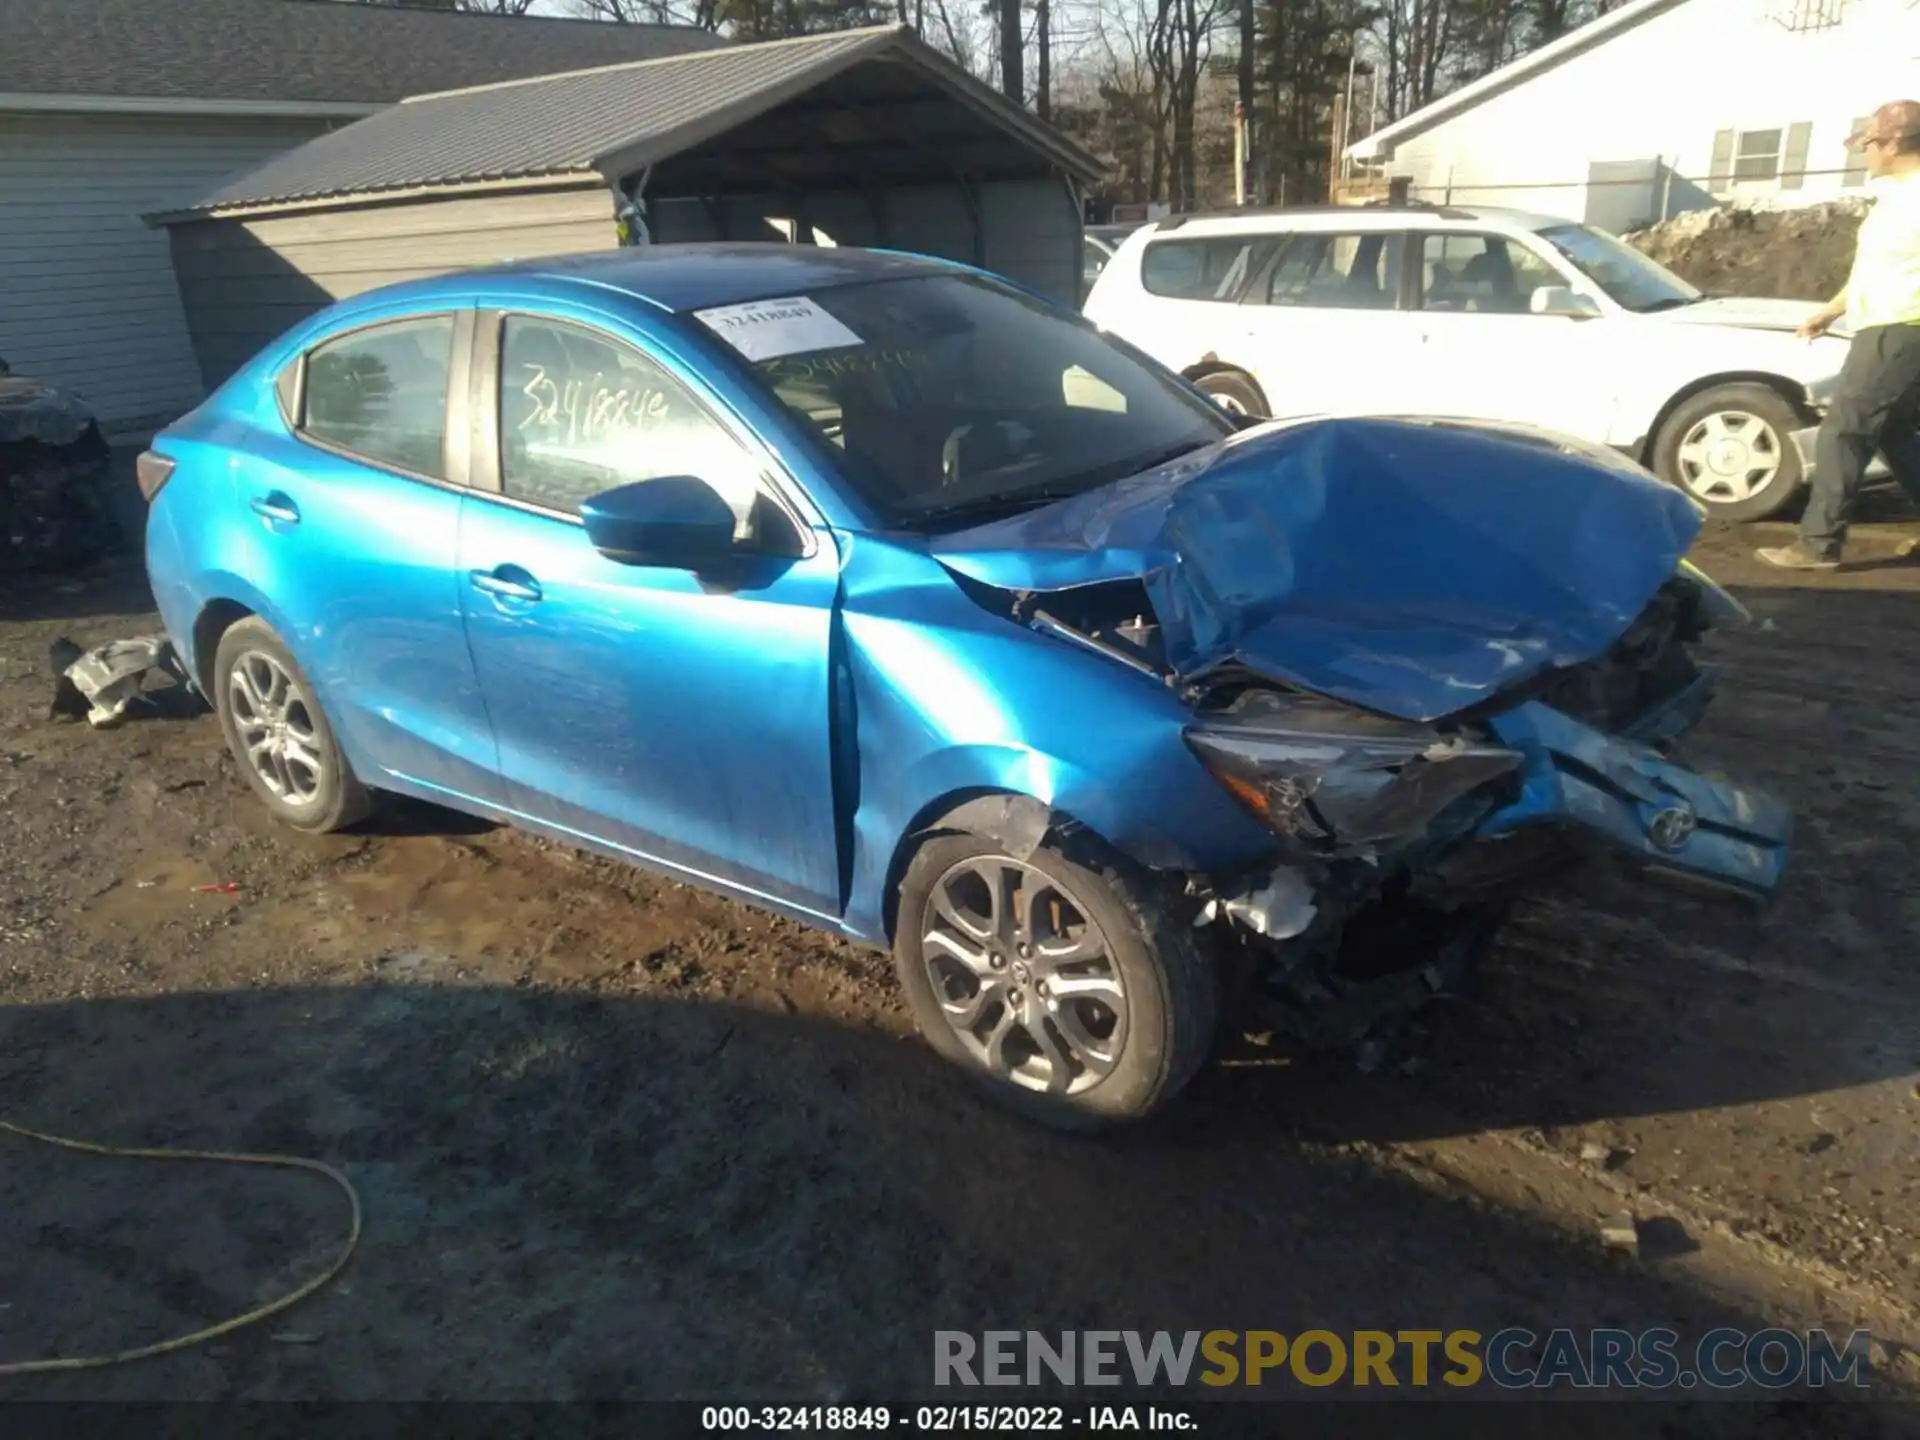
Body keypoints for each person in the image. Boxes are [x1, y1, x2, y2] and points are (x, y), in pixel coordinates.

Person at [1758, 100, 1920, 570]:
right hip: (1884, 324)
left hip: (1903, 329)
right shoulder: (1894, 197)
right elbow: (1875, 269)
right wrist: (1829, 312)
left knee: (1844, 431)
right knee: (1893, 431)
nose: (1864, 153)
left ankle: (1818, 543)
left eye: (1868, 143)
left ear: (1893, 143)